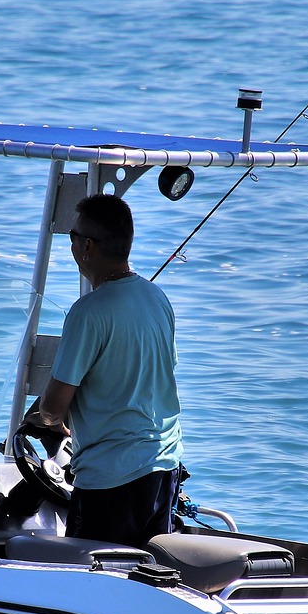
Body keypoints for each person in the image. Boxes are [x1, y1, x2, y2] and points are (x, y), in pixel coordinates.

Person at [31, 194, 184, 546]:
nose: (71, 244)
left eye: (72, 236)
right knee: (145, 576)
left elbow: (53, 408)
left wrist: (49, 420)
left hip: (111, 482)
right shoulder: (158, 298)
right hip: (163, 468)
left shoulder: (87, 313)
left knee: (92, 580)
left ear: (87, 246)